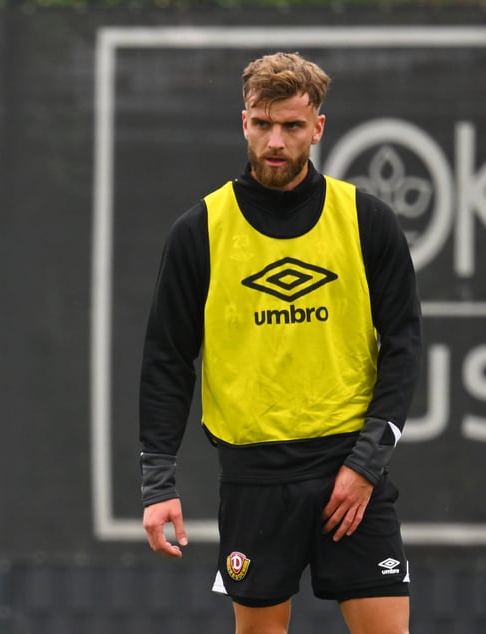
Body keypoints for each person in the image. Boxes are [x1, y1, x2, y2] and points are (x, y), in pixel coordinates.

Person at [139, 52, 421, 633]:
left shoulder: (368, 221)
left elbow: (403, 346)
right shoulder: (201, 230)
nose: (276, 141)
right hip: (254, 477)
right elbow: (167, 362)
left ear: (317, 128)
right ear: (243, 121)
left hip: (350, 473)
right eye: (263, 124)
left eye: (292, 126)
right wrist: (158, 483)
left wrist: (367, 464)